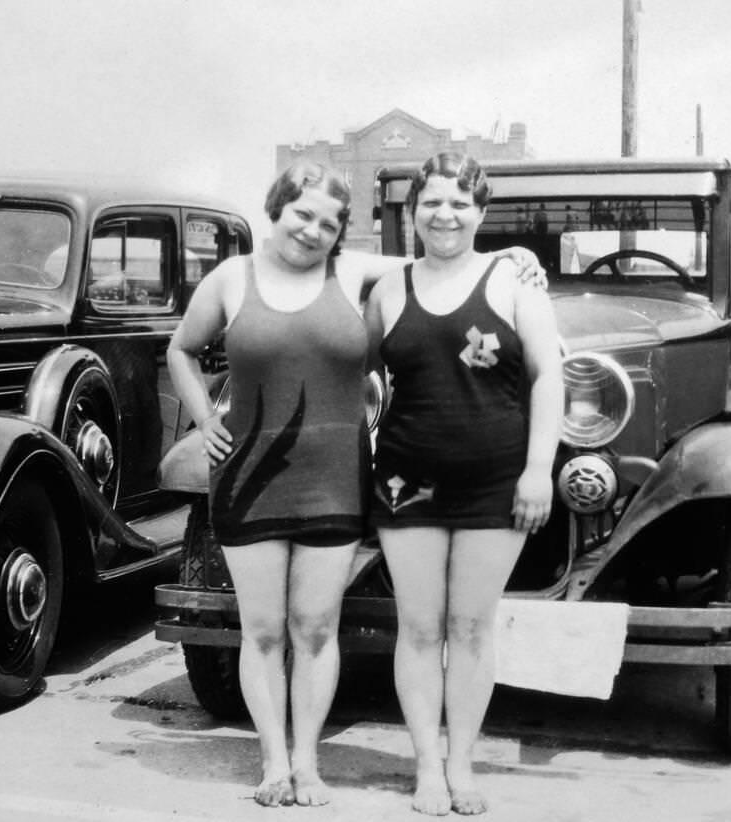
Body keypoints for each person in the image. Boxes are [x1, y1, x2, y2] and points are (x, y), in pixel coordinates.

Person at [166, 159, 544, 808]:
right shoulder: (231, 279)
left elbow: (441, 252)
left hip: (335, 479)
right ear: (275, 210)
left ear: (343, 233)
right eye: (301, 214)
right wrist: (205, 421)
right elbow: (181, 349)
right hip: (248, 478)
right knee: (260, 630)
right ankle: (273, 764)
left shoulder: (354, 273)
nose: (311, 230)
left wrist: (510, 250)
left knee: (315, 628)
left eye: (328, 222)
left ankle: (309, 766)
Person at [364, 153, 563, 816]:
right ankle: (425, 767)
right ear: (410, 211)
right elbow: (361, 374)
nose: (444, 214)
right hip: (404, 481)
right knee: (419, 628)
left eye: (459, 203)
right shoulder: (388, 289)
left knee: (472, 628)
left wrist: (539, 469)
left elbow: (548, 378)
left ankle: (461, 766)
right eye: (431, 203)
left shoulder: (515, 283)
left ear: (480, 212)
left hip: (495, 484)